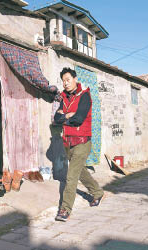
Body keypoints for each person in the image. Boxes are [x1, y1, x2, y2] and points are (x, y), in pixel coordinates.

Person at [53, 67, 104, 222]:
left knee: (71, 176)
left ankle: (65, 209)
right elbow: (56, 118)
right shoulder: (63, 98)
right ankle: (97, 192)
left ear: (75, 79)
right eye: (63, 81)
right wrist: (67, 116)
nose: (66, 83)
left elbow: (80, 118)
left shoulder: (85, 96)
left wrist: (66, 117)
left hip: (82, 142)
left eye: (68, 79)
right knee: (81, 171)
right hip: (68, 142)